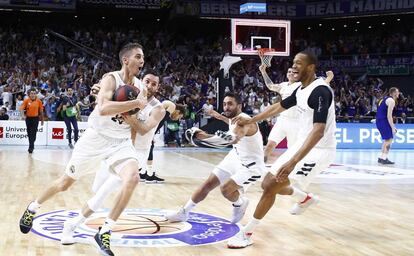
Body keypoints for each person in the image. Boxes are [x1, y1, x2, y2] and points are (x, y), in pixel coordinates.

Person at [19, 43, 147, 256]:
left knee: (133, 178)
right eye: (138, 57)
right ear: (126, 59)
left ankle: (105, 231)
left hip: (120, 142)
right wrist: (133, 104)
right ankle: (32, 207)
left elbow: (133, 117)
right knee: (64, 183)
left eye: (143, 57)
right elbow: (104, 108)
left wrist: (133, 116)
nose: (142, 61)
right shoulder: (110, 79)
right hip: (95, 140)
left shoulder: (140, 87)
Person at [227, 51, 337, 248]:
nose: (294, 66)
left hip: (320, 149)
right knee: (268, 183)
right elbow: (278, 107)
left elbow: (318, 131)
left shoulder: (321, 91)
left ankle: (247, 232)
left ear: (311, 67)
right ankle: (305, 198)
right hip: (302, 144)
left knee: (271, 186)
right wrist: (251, 119)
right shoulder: (301, 90)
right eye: (293, 62)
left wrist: (292, 161)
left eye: (299, 63)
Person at [59, 70, 169, 245]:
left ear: (158, 87)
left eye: (154, 84)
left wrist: (127, 113)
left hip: (135, 154)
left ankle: (90, 228)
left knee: (103, 194)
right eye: (147, 81)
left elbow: (142, 129)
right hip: (115, 148)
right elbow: (105, 107)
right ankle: (75, 225)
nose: (149, 86)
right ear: (142, 81)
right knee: (97, 192)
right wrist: (99, 93)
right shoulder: (128, 93)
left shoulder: (158, 108)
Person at [166, 92, 265, 224]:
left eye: (230, 104)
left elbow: (233, 139)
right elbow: (231, 123)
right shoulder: (234, 118)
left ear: (239, 106)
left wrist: (203, 136)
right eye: (224, 104)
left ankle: (239, 203)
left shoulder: (244, 121)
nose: (226, 107)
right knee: (208, 184)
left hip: (251, 165)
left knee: (226, 190)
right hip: (236, 156)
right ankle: (184, 212)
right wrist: (219, 117)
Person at [140, 101, 185, 183]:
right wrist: (151, 134)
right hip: (146, 125)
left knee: (145, 149)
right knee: (149, 148)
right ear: (178, 111)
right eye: (179, 116)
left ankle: (143, 172)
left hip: (145, 123)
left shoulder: (164, 110)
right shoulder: (171, 106)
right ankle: (149, 175)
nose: (178, 119)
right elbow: (159, 121)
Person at [375, 87, 399, 165]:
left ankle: (382, 158)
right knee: (389, 140)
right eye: (397, 92)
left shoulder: (384, 98)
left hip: (379, 121)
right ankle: (384, 158)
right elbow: (389, 116)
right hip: (384, 121)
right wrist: (393, 127)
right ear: (394, 93)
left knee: (386, 140)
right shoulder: (392, 101)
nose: (398, 93)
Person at [20, 88, 44, 153]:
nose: (33, 95)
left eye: (34, 93)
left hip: (35, 119)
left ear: (36, 94)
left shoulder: (39, 101)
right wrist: (23, 116)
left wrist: (42, 120)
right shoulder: (26, 100)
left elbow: (41, 111)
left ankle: (31, 147)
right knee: (29, 133)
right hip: (28, 119)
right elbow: (21, 109)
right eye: (31, 93)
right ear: (29, 94)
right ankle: (32, 145)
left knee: (33, 133)